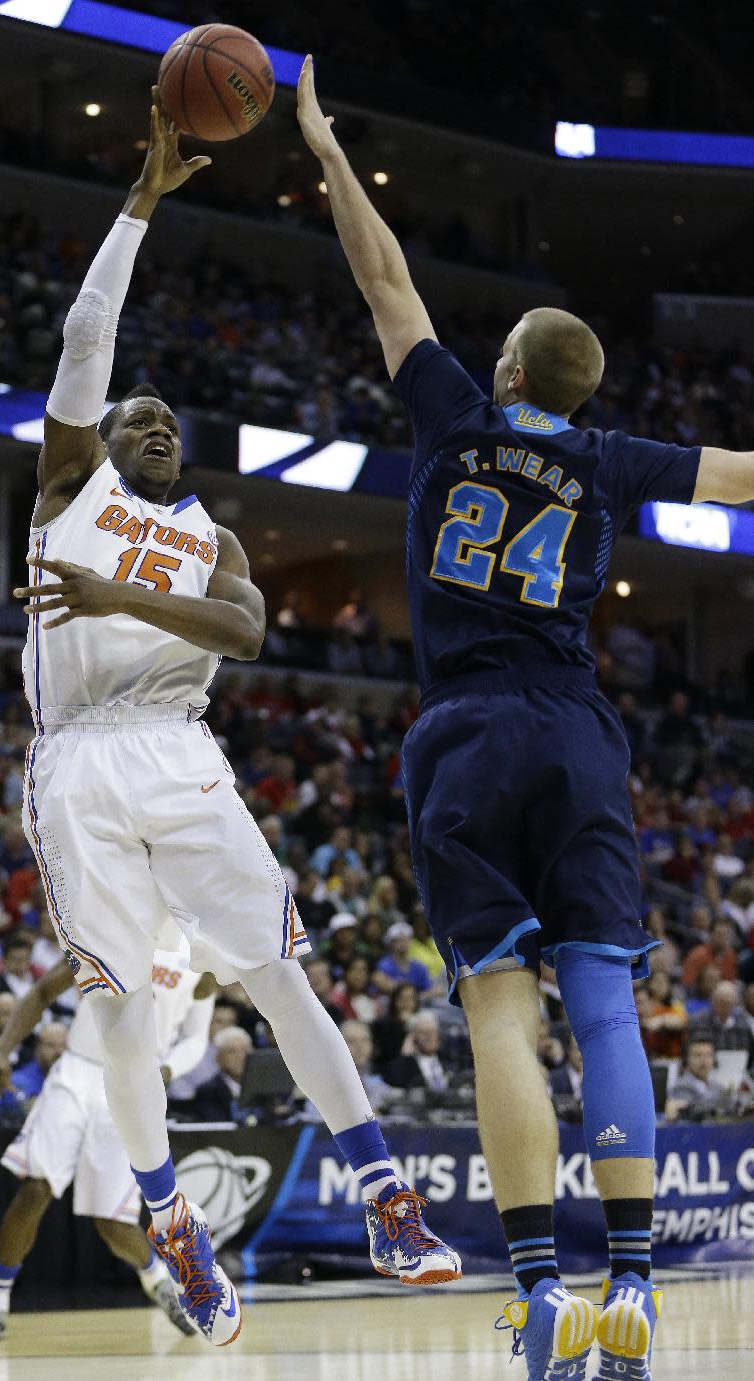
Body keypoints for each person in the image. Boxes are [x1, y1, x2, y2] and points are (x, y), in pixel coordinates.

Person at [297, 52, 754, 1380]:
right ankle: (632, 1295)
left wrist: (327, 151)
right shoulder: (609, 454)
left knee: (500, 1011)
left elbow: (384, 280)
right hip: (571, 722)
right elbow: (737, 475)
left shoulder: (447, 412)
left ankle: (543, 1294)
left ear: (501, 364)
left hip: (462, 729)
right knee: (604, 1005)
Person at [9, 90, 459, 1346]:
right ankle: (167, 1223)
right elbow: (88, 333)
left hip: (179, 749)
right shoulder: (67, 484)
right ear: (106, 440)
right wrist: (142, 202)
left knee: (276, 967)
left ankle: (383, 1189)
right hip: (79, 764)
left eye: (167, 422)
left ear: (181, 451)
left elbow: (249, 633)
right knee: (121, 1018)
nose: (150, 425)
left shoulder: (212, 538)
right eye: (133, 417)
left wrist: (111, 588)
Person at [0, 943, 212, 1342]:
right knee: (35, 1187)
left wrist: (168, 1067)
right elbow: (44, 990)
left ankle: (158, 1282)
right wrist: (0, 1051)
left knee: (112, 1222)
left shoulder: (198, 954)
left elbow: (196, 1040)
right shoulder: (102, 931)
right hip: (78, 1072)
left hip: (132, 1083)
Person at [184, 1025, 252, 1123]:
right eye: (231, 1052)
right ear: (218, 1058)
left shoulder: (263, 1087)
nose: (240, 1057)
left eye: (245, 1050)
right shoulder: (207, 1092)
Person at [664, 1035, 724, 1120]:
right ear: (687, 1059)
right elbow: (693, 1111)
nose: (704, 1060)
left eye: (709, 1055)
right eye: (697, 1055)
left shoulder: (716, 1086)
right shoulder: (681, 1087)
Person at [11, 1023, 68, 1100]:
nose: (59, 1051)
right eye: (51, 1045)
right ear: (37, 1048)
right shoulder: (17, 1082)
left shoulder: (77, 1081)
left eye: (64, 1045)